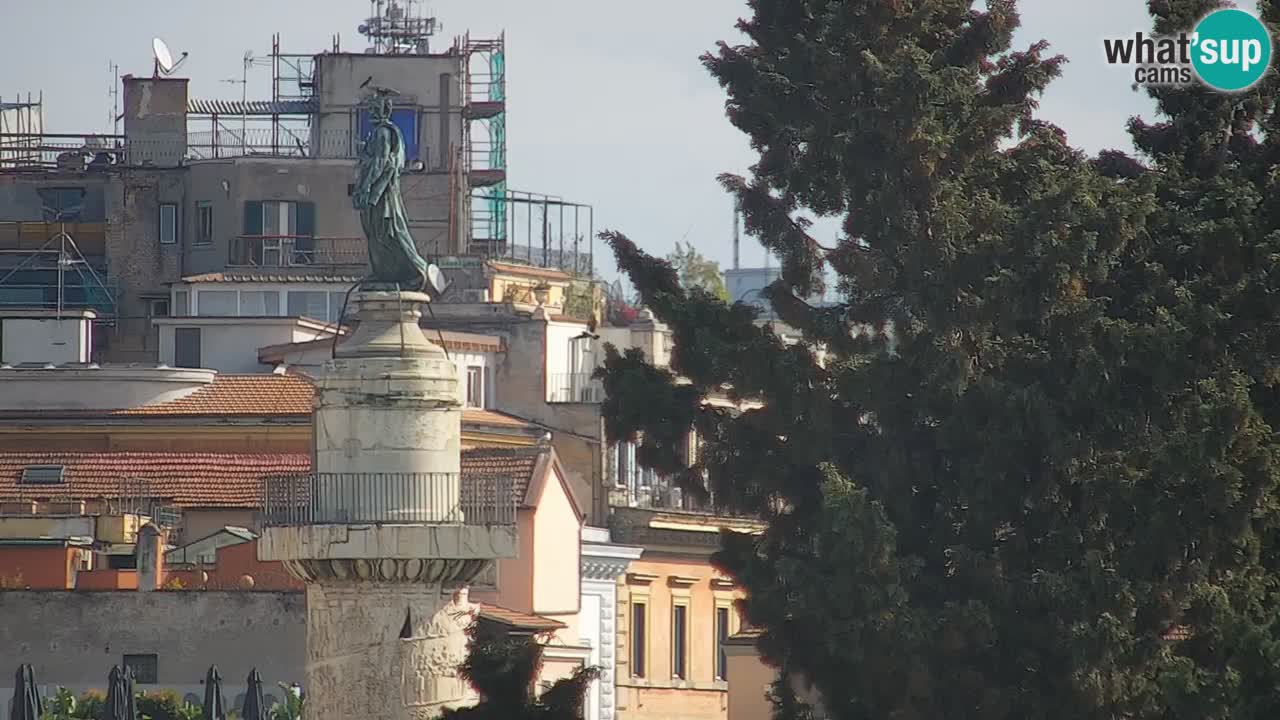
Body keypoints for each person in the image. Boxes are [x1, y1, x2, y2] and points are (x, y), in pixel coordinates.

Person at [352, 91, 429, 290]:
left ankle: (415, 270)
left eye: (375, 108)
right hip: (378, 192)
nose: (371, 112)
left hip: (381, 193)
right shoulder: (379, 133)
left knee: (389, 232)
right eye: (370, 108)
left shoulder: (383, 133)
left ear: (384, 110)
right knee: (378, 234)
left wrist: (367, 186)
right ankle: (384, 272)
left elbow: (380, 162)